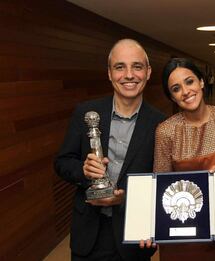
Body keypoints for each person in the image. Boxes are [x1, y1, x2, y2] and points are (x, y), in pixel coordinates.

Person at [54, 39, 165, 261]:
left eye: (137, 66)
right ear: (109, 73)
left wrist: (125, 199)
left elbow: (161, 183)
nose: (129, 75)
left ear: (148, 72)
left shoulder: (161, 124)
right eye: (119, 67)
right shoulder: (85, 113)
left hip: (133, 238)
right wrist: (84, 171)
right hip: (88, 234)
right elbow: (62, 162)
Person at [154, 57, 215, 261]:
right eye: (176, 88)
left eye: (189, 81)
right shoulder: (166, 131)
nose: (185, 91)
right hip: (179, 229)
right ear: (172, 97)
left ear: (201, 82)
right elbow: (160, 184)